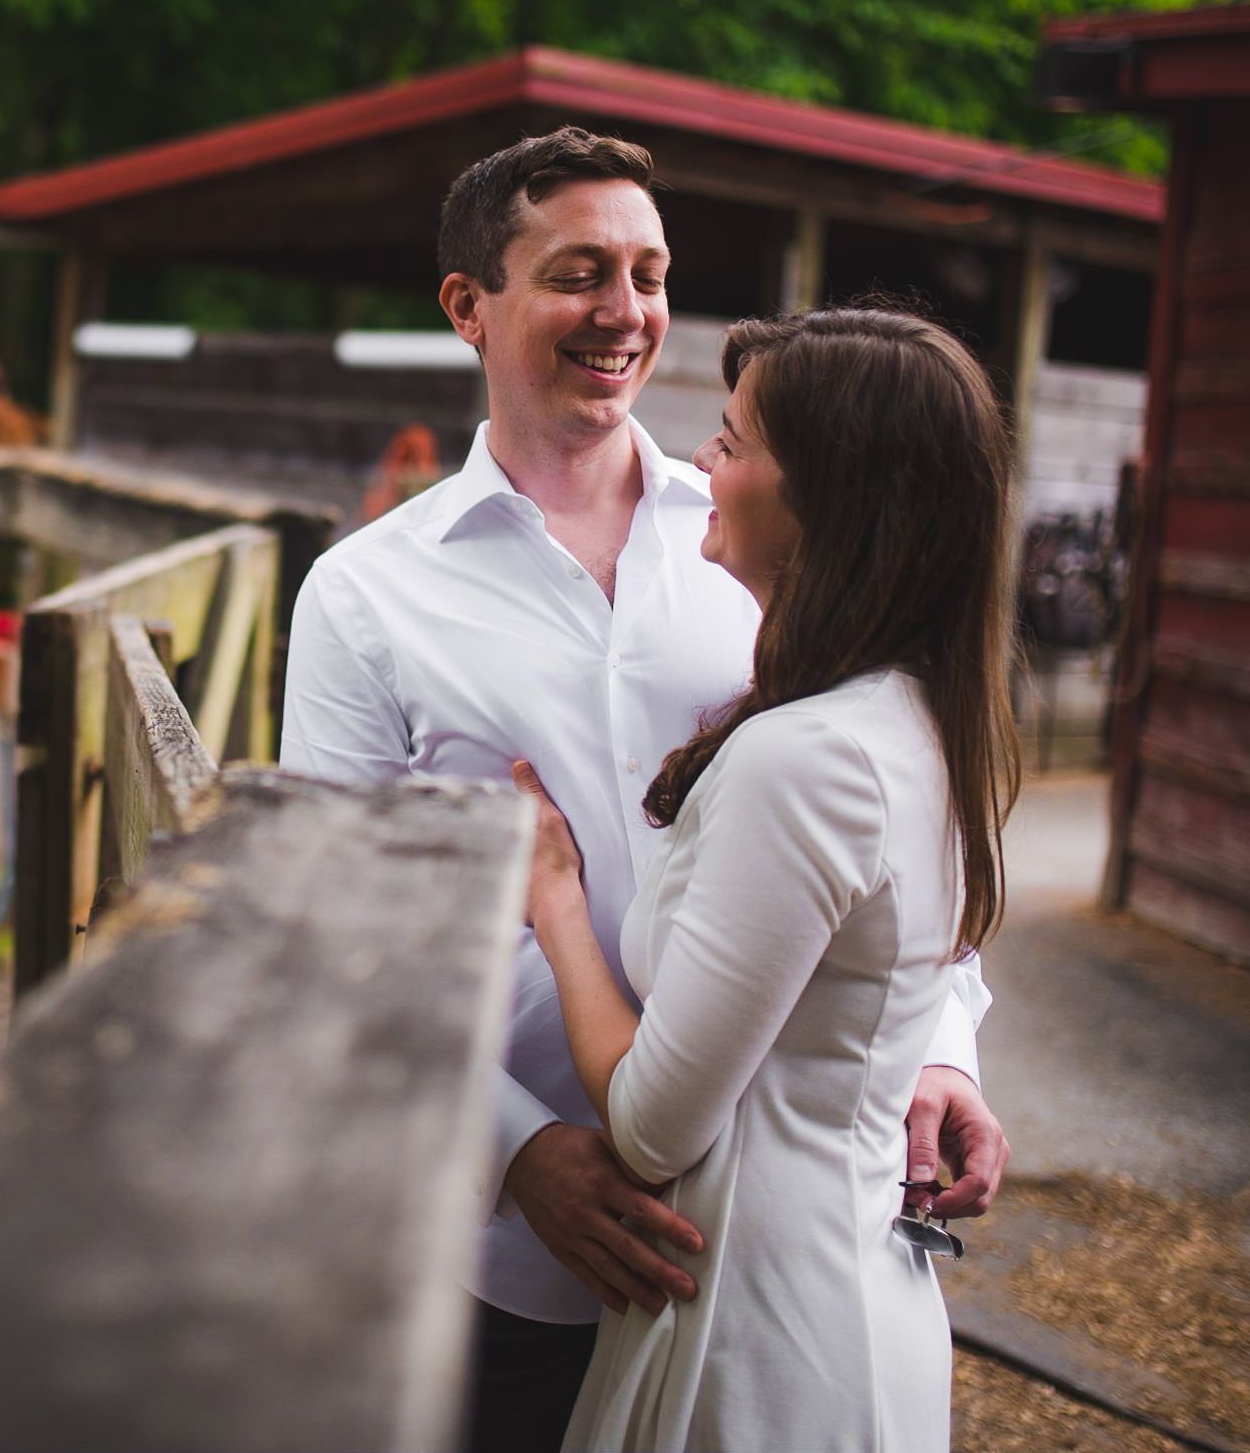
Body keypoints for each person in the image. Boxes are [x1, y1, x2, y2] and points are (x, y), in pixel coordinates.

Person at [275, 128, 1010, 1451]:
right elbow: (340, 935)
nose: (624, 312)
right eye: (577, 273)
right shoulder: (365, 596)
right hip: (495, 1241)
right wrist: (514, 1150)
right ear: (467, 305)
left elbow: (904, 832)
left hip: (740, 1236)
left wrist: (937, 1046)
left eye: (647, 271)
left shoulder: (765, 536)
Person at [517, 305, 1018, 1450]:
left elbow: (651, 1130)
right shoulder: (918, 716)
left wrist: (553, 895)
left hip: (754, 1325)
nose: (702, 461)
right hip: (844, 1284)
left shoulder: (806, 760)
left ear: (824, 498)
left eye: (735, 442)